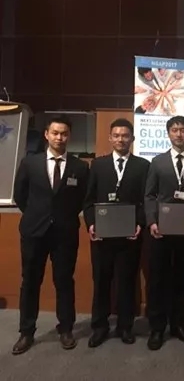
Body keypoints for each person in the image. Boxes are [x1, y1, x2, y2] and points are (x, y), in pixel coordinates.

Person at [12, 116, 89, 355]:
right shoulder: (30, 163)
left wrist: (63, 216)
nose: (59, 137)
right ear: (46, 134)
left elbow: (82, 199)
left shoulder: (80, 167)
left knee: (64, 281)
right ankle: (26, 332)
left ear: (69, 136)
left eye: (64, 133)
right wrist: (37, 215)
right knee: (30, 282)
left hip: (65, 233)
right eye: (55, 133)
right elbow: (20, 195)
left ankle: (65, 328)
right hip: (34, 231)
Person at [83, 118, 150, 347]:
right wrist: (91, 224)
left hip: (129, 237)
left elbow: (145, 200)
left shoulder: (143, 166)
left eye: (125, 136)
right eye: (117, 135)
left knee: (126, 283)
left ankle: (125, 326)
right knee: (101, 282)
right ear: (110, 138)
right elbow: (89, 200)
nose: (121, 139)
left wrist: (140, 223)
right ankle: (99, 327)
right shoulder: (98, 165)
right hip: (101, 237)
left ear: (132, 139)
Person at [144, 115, 184, 351]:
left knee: (182, 278)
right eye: (174, 130)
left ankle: (178, 324)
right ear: (168, 133)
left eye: (183, 130)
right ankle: (157, 327)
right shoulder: (157, 162)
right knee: (158, 279)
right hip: (161, 230)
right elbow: (149, 195)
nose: (179, 134)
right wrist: (152, 221)